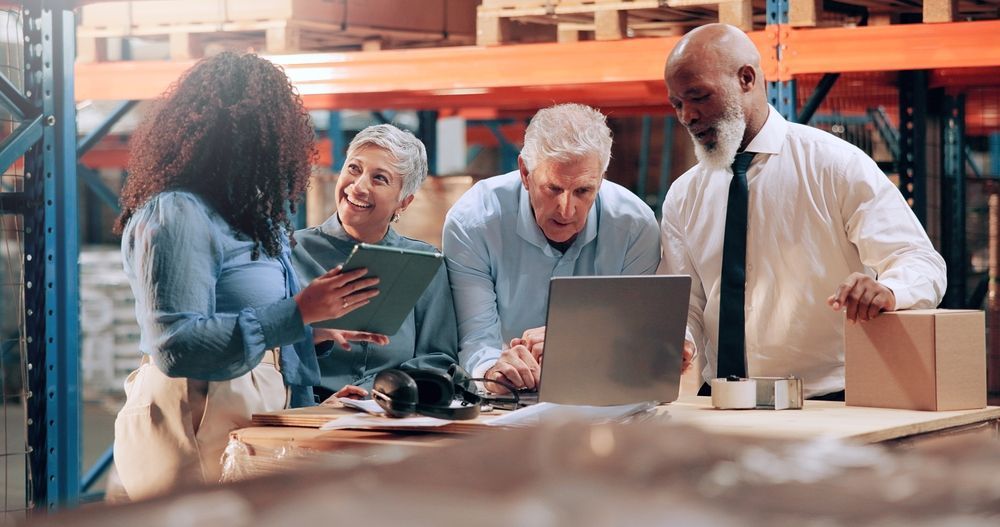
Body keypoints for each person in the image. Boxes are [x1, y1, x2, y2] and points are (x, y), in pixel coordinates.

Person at [112, 52, 383, 499]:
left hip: (244, 407)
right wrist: (297, 311)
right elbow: (177, 346)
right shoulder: (179, 214)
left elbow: (255, 319)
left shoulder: (253, 216)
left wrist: (309, 331)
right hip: (195, 413)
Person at [659, 24, 947, 400]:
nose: (688, 116)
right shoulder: (684, 195)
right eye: (677, 104)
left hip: (829, 400)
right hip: (721, 401)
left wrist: (888, 289)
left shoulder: (835, 166)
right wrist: (680, 342)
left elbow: (921, 260)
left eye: (698, 97)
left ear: (746, 78)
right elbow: (688, 304)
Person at [443, 103, 674, 393]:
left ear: (601, 181)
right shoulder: (473, 221)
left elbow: (640, 339)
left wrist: (575, 344)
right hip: (506, 401)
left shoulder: (634, 226)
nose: (566, 210)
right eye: (553, 189)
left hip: (603, 394)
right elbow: (476, 338)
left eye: (583, 191)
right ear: (525, 174)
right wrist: (494, 371)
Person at [292, 124, 459, 398]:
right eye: (354, 169)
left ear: (404, 202)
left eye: (379, 178)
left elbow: (438, 358)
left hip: (393, 415)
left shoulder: (426, 264)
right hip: (309, 413)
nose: (358, 187)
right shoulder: (291, 252)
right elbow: (272, 352)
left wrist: (377, 393)